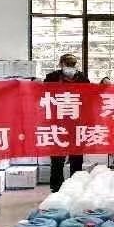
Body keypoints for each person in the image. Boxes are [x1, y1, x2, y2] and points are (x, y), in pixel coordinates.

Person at [44, 53, 89, 193]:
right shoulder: (52, 78)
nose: (70, 67)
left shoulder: (82, 79)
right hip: (58, 122)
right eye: (67, 64)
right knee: (57, 158)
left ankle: (75, 187)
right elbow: (42, 93)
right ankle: (56, 188)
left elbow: (91, 96)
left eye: (72, 64)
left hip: (76, 123)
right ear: (61, 64)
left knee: (77, 158)